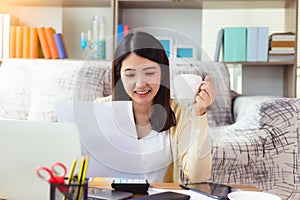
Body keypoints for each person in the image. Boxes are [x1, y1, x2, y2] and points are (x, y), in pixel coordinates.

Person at [95, 31, 216, 183]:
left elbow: (199, 176)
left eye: (149, 73)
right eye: (130, 75)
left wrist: (199, 113)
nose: (140, 84)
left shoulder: (178, 114)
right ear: (119, 76)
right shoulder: (99, 110)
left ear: (162, 73)